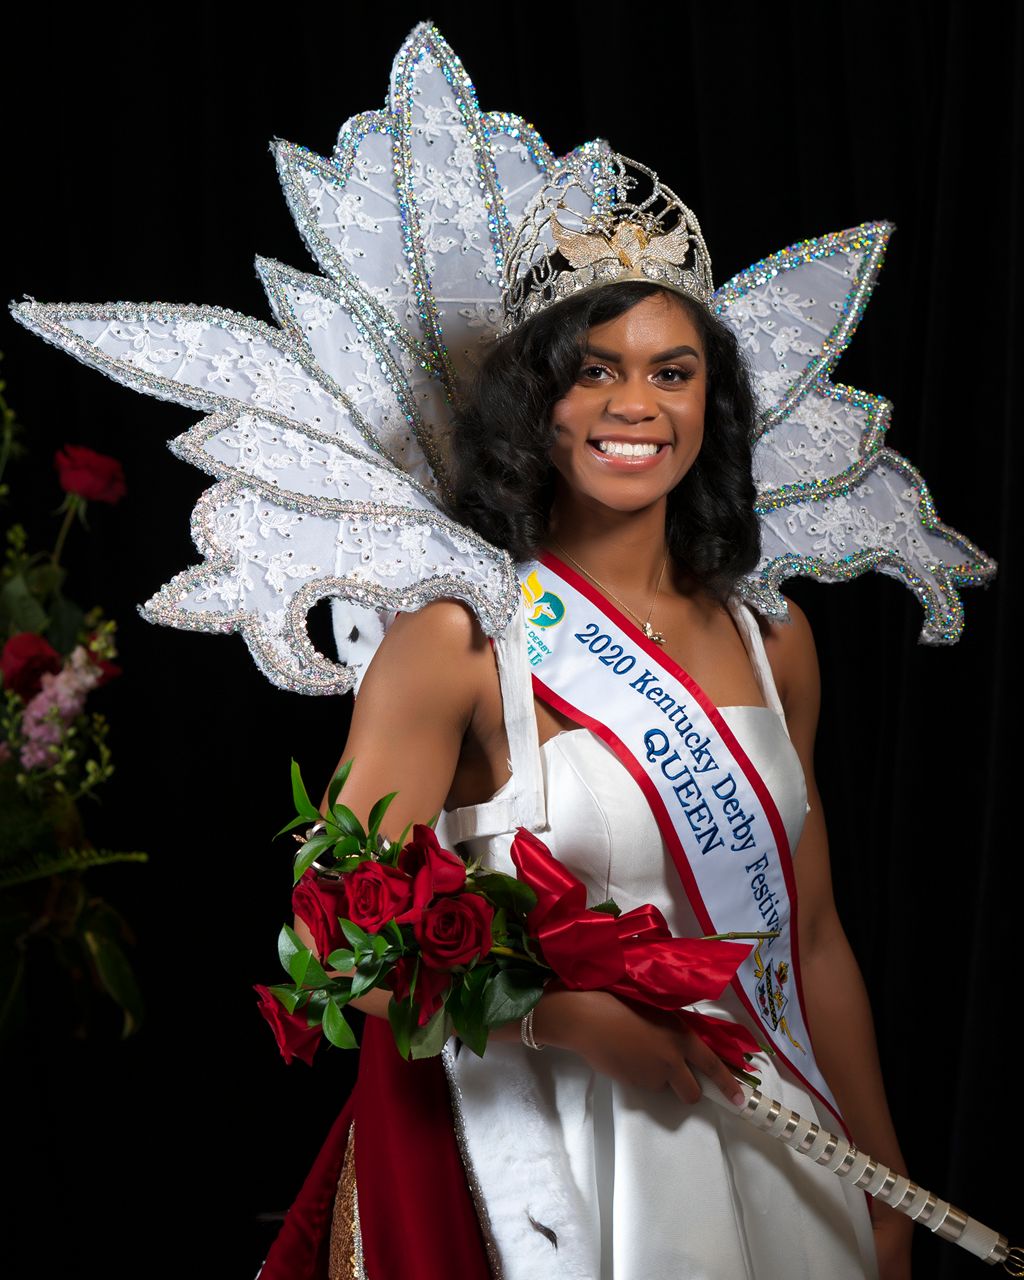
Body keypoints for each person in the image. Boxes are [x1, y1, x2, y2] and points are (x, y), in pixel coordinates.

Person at [277, 263, 914, 1277]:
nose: (635, 404)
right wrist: (562, 1014)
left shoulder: (772, 642)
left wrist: (883, 1182)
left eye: (673, 372)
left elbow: (815, 935)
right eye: (592, 371)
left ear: (713, 402)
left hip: (768, 1127)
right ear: (535, 402)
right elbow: (334, 926)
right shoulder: (463, 638)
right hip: (546, 1149)